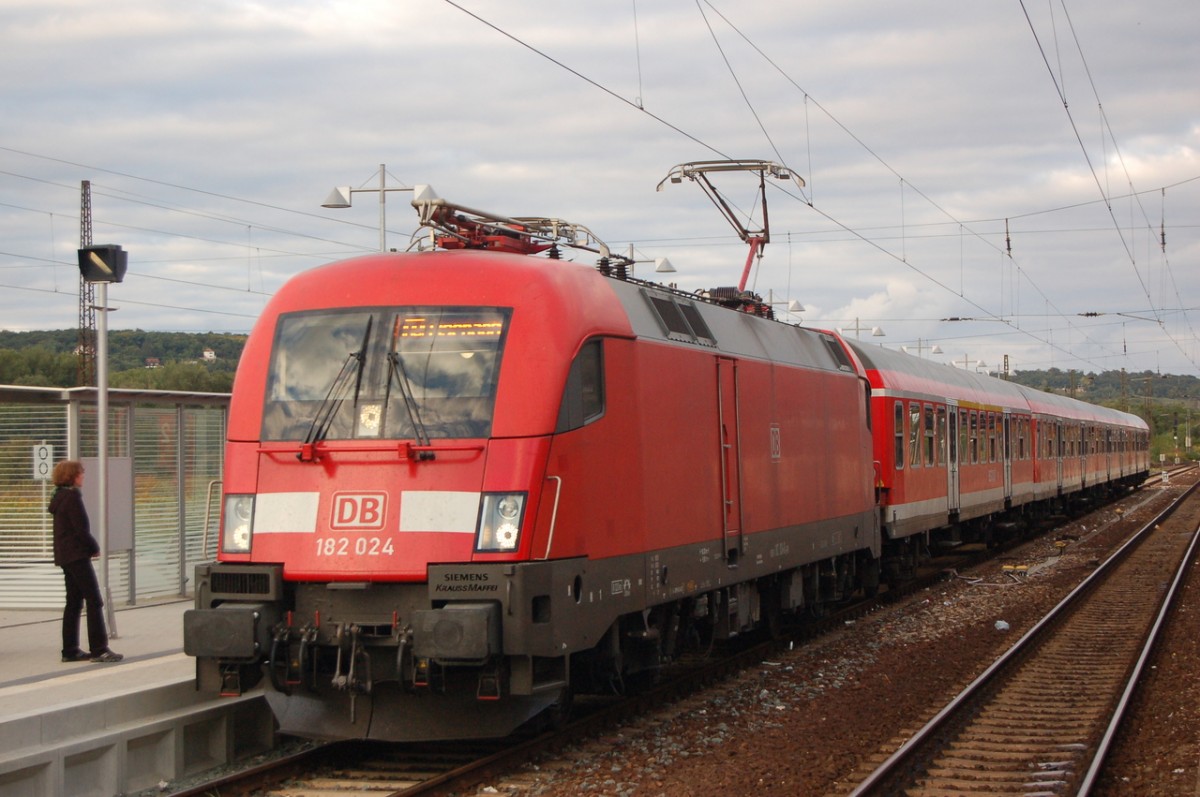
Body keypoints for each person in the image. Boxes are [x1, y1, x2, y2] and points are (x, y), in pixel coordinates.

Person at [47, 460, 122, 663]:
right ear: (72, 476)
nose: (83, 476)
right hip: (77, 555)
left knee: (73, 602)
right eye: (81, 473)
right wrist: (93, 547)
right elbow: (80, 529)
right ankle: (99, 649)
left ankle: (70, 650)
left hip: (65, 556)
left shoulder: (59, 497)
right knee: (94, 600)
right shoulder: (72, 497)